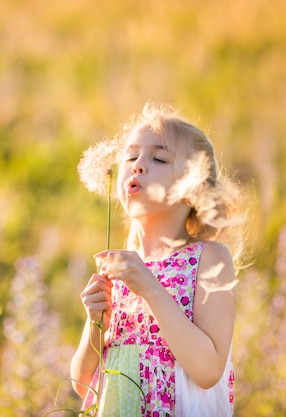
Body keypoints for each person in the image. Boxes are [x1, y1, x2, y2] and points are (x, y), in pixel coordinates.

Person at [70, 103, 245, 417]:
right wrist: (94, 323)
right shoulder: (117, 268)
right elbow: (83, 385)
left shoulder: (209, 258)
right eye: (131, 155)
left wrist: (151, 289)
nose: (137, 165)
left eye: (159, 158)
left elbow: (207, 370)